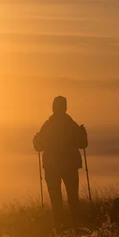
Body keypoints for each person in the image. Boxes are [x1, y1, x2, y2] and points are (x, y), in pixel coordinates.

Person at [33, 96, 88, 227]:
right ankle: (77, 225)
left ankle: (59, 227)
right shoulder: (72, 125)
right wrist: (83, 133)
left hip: (52, 167)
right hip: (70, 166)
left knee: (56, 200)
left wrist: (36, 139)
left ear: (53, 107)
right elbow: (83, 144)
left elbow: (38, 147)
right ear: (65, 107)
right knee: (73, 199)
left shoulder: (48, 126)